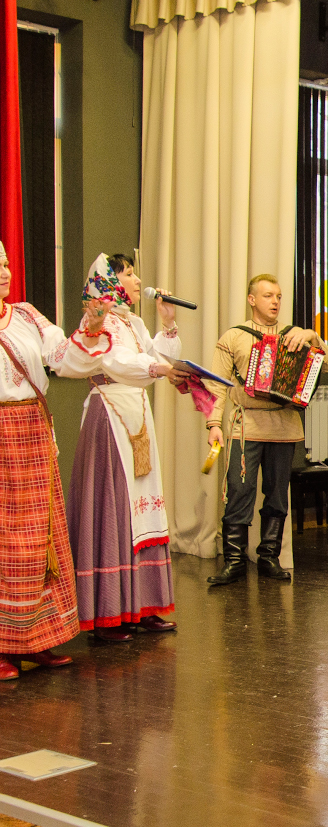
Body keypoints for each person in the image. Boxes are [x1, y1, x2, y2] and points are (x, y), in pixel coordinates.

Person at [54, 254, 190, 642]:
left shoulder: (134, 322)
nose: (137, 280)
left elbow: (159, 357)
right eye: (129, 274)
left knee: (143, 510)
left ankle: (143, 604)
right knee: (115, 508)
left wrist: (168, 324)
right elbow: (119, 363)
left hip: (138, 415)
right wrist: (157, 369)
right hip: (110, 415)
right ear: (111, 282)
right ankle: (109, 613)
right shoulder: (99, 324)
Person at [204, 275, 328, 584]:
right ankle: (234, 562)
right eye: (267, 296)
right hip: (245, 427)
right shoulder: (234, 336)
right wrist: (213, 424)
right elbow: (216, 386)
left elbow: (327, 364)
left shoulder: (295, 335)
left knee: (277, 495)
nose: (275, 301)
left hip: (284, 427)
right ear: (252, 300)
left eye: (278, 296)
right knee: (239, 492)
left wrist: (313, 336)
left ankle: (269, 558)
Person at [0, 241, 79, 678]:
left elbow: (62, 357)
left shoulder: (28, 315)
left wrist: (92, 326)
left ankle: (37, 638)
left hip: (32, 428)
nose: (5, 272)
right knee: (5, 540)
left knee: (40, 535)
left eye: (6, 263)